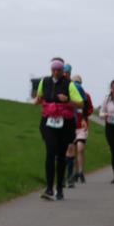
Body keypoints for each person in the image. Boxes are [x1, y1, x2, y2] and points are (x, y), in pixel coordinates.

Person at [33, 58, 84, 201]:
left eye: (59, 70)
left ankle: (60, 189)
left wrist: (67, 100)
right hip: (48, 123)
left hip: (65, 124)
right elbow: (40, 97)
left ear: (63, 72)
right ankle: (49, 188)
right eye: (53, 70)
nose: (56, 72)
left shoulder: (69, 85)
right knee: (50, 152)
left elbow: (80, 104)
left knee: (61, 156)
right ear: (51, 70)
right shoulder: (45, 81)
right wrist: (36, 101)